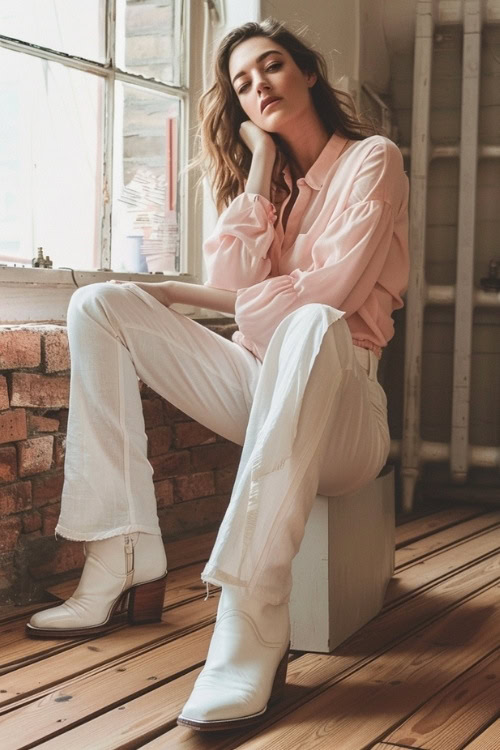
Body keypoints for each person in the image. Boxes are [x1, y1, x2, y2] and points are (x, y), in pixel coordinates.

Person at [26, 18, 409, 732]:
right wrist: (260, 167)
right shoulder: (270, 186)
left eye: (272, 66)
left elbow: (329, 297)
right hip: (261, 386)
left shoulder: (372, 160)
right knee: (98, 303)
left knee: (311, 323)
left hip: (347, 406)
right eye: (242, 83)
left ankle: (252, 614)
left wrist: (187, 297)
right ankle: (120, 557)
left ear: (309, 72)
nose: (259, 84)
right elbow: (234, 281)